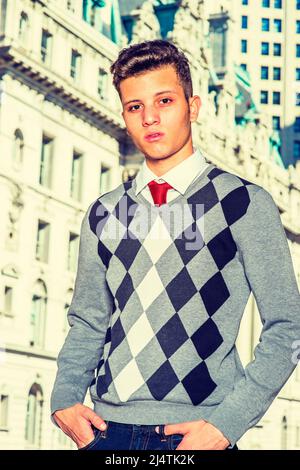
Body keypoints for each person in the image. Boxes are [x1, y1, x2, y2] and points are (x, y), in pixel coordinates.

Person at [50, 39, 300, 451]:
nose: (150, 118)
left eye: (164, 101)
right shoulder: (104, 213)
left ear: (193, 107)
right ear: (125, 116)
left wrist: (226, 425)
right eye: (135, 107)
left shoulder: (243, 203)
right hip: (106, 432)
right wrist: (64, 399)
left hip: (198, 434)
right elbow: (89, 322)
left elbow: (289, 328)